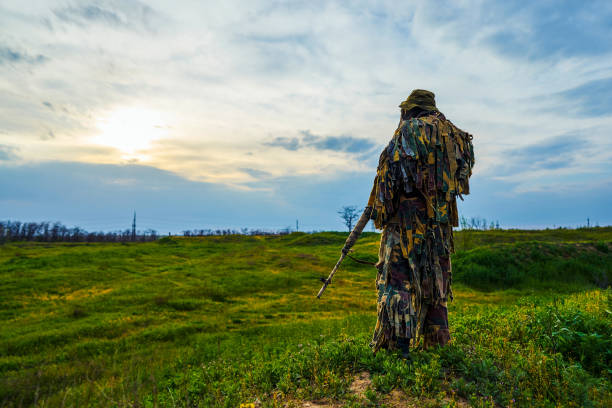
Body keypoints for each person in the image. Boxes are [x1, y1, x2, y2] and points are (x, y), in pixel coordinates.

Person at [366, 89, 475, 355]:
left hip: (405, 221)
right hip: (440, 224)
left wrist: (384, 211)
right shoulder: (458, 137)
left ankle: (398, 348)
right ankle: (437, 346)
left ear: (410, 109)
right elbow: (462, 175)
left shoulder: (407, 131)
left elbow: (388, 178)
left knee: (397, 280)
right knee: (435, 284)